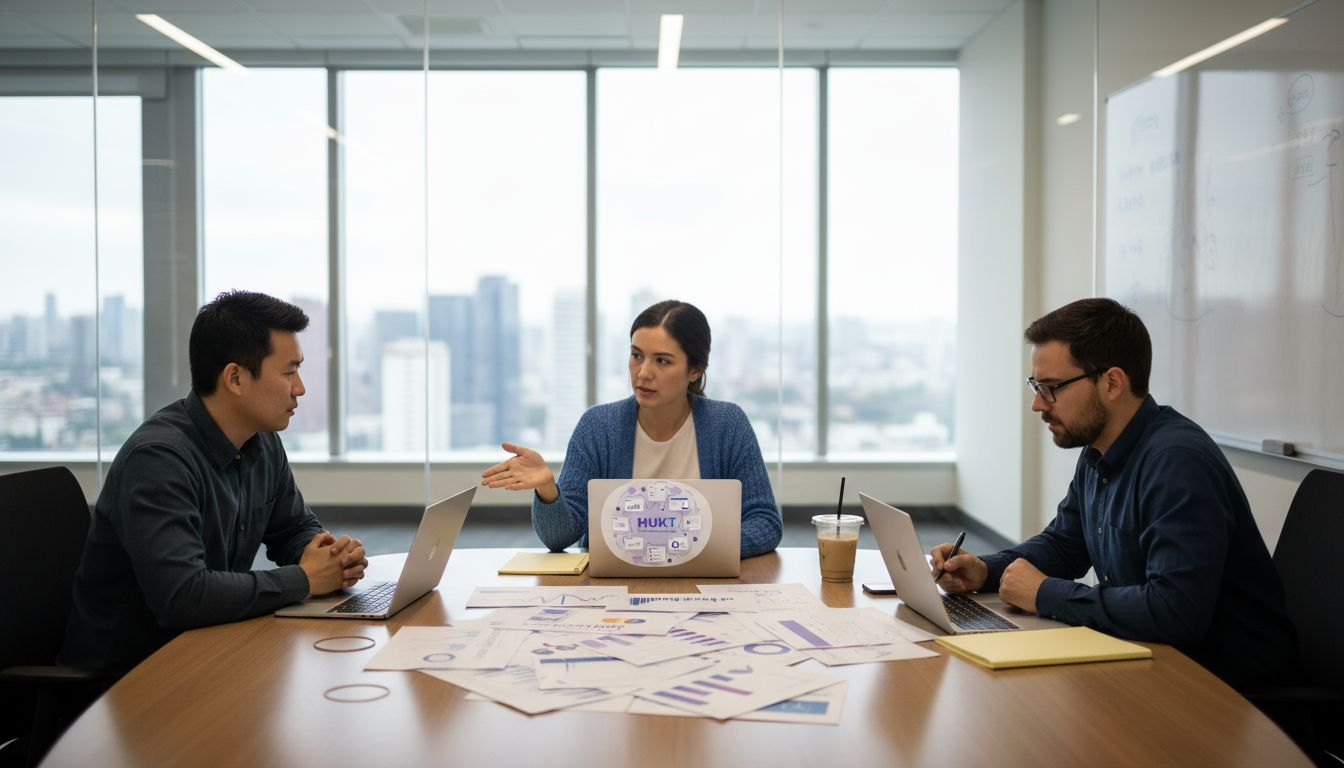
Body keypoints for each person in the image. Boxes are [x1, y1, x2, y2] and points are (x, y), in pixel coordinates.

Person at [931, 297, 1296, 693]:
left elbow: (1176, 611)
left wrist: (1045, 594)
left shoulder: (1177, 463)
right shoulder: (1097, 449)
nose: (1038, 404)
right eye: (1036, 386)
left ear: (1112, 383)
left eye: (1051, 388)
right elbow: (1065, 545)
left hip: (1227, 692)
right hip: (1152, 663)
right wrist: (986, 570)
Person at [61, 291, 368, 671]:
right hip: (127, 681)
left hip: (207, 649)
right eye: (289, 371)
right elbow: (182, 596)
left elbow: (293, 526)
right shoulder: (158, 459)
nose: (299, 388)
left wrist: (324, 554)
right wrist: (305, 578)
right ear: (235, 378)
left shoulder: (261, 439)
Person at [482, 300, 782, 558]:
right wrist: (548, 490)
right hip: (614, 590)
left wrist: (693, 548)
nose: (643, 372)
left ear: (695, 370)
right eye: (637, 355)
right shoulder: (598, 427)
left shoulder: (727, 425)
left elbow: (766, 522)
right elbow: (560, 538)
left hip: (706, 581)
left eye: (662, 361)